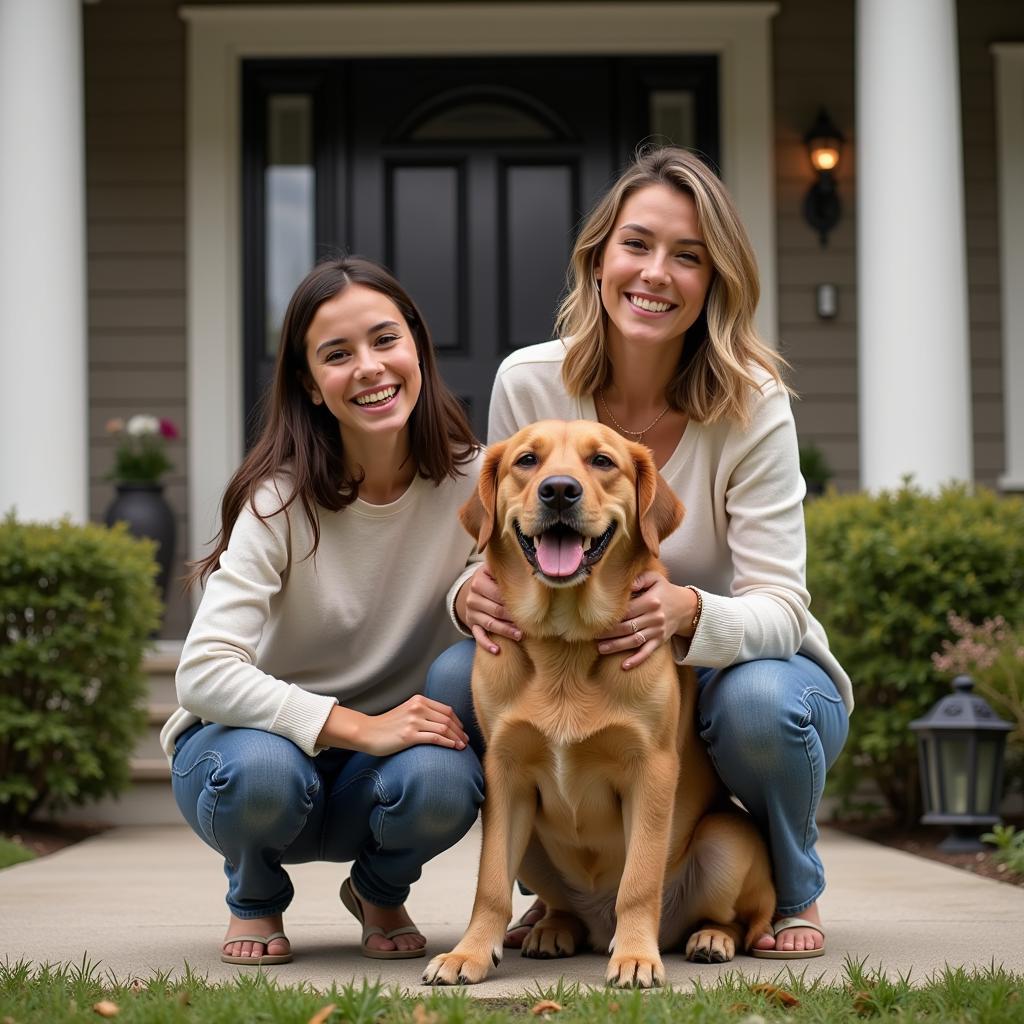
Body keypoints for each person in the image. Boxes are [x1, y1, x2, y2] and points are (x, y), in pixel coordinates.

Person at [452, 146, 852, 959]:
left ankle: (792, 890)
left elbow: (784, 602)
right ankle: (556, 898)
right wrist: (462, 594)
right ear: (599, 260)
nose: (656, 272)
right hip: (563, 639)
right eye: (636, 244)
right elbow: (498, 530)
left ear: (716, 281)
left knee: (758, 708)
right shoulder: (529, 382)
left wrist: (688, 612)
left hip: (729, 666)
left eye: (689, 256)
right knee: (451, 680)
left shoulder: (752, 403)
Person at [160, 257, 486, 966]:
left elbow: (486, 579)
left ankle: (379, 888)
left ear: (418, 350)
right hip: (252, 752)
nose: (368, 368)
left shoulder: (477, 479)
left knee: (445, 777)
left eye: (384, 340)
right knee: (262, 776)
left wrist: (468, 594)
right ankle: (254, 896)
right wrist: (356, 727)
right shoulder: (277, 501)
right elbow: (203, 674)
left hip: (385, 769)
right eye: (337, 355)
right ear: (310, 385)